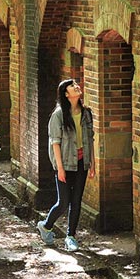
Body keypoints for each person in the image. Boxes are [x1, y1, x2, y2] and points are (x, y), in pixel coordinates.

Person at [37, 79, 95, 252]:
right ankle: (46, 225)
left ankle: (70, 236)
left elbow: (90, 140)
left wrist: (92, 163)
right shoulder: (58, 115)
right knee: (63, 202)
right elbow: (55, 142)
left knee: (76, 201)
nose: (77, 86)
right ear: (66, 94)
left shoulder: (86, 113)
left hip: (81, 163)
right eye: (72, 86)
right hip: (64, 164)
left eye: (77, 84)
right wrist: (59, 168)